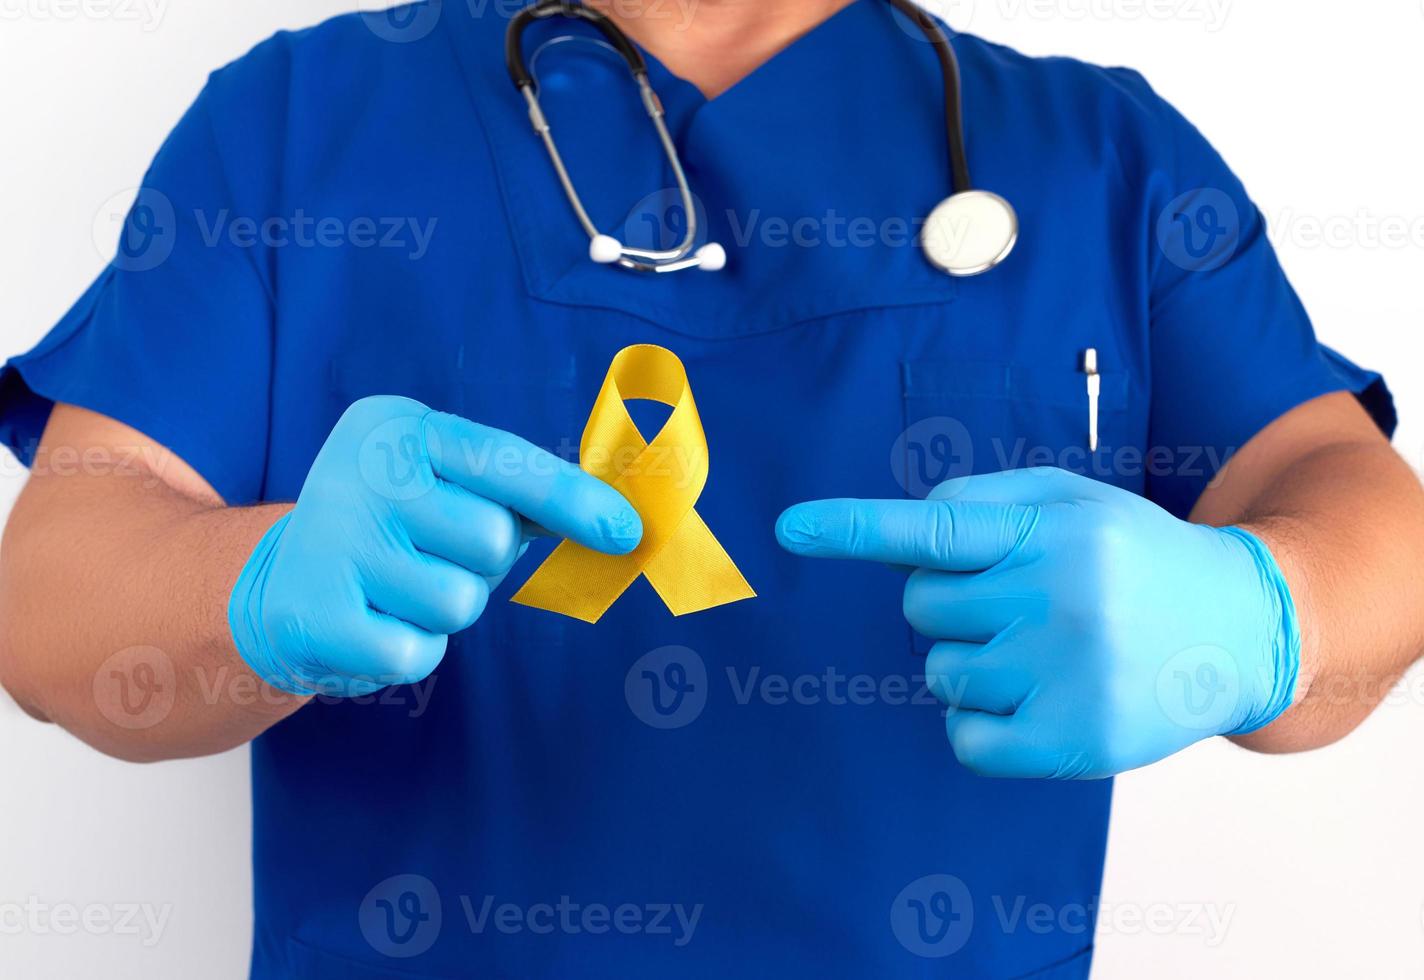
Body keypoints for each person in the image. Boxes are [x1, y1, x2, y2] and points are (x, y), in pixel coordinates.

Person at [1, 0, 1420, 976]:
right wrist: (244, 588)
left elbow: (1360, 505)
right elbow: (52, 598)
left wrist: (1264, 610)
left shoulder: (1100, 157)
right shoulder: (298, 128)